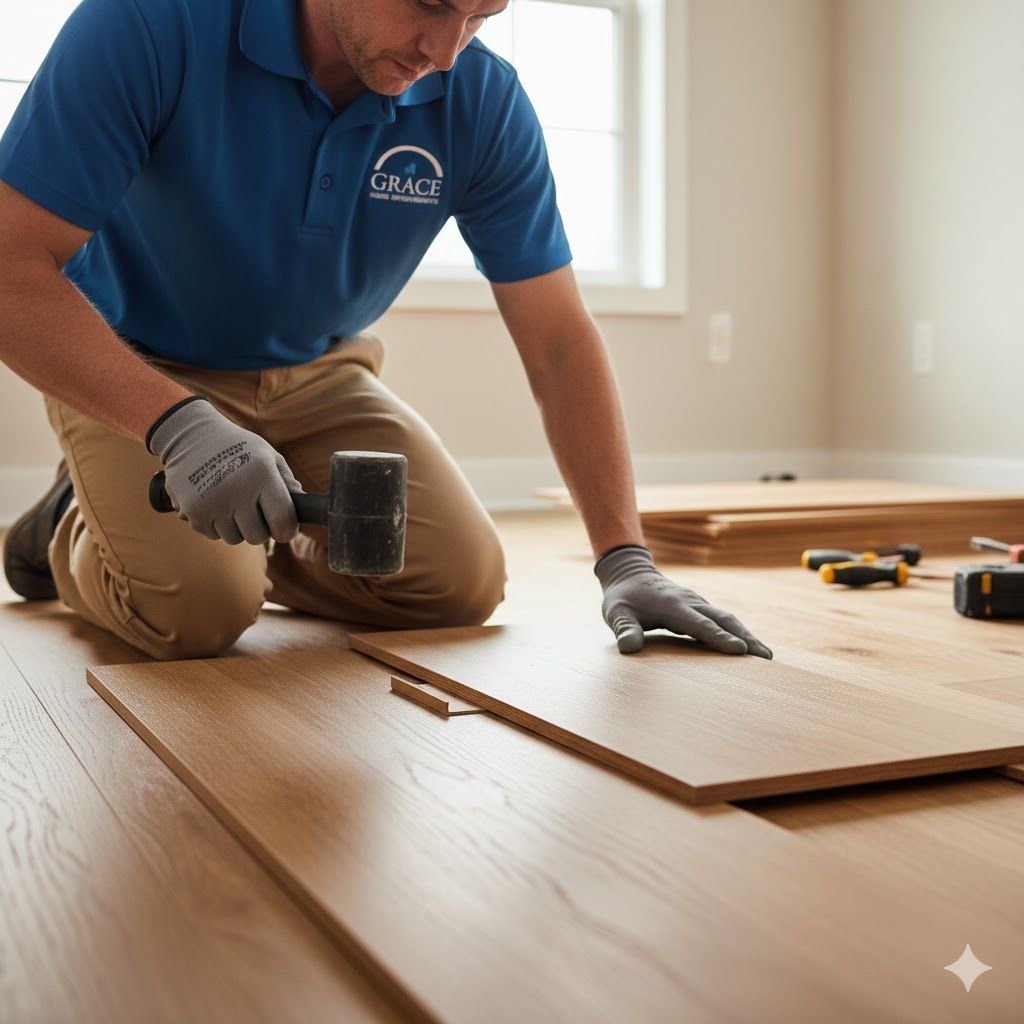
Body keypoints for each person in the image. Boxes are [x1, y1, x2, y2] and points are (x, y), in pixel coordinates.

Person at [0, 0, 771, 661]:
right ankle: (68, 529)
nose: (446, 52)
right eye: (431, 3)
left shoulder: (483, 100)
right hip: (143, 368)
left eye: (481, 17)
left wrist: (625, 558)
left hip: (322, 372)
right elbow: (10, 269)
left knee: (457, 583)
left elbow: (559, 342)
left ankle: (237, 534)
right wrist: (175, 427)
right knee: (194, 612)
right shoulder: (148, 23)